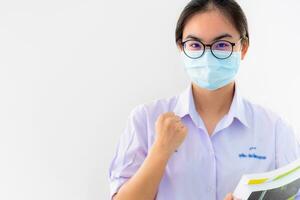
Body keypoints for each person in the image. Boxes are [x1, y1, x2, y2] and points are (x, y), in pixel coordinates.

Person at [108, 0, 300, 199]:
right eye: (195, 44)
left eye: (222, 44)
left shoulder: (275, 130)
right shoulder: (146, 119)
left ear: (243, 48)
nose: (207, 55)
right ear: (181, 48)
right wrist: (161, 150)